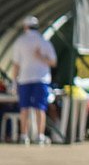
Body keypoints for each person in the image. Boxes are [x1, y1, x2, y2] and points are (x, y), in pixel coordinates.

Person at [10, 15, 57, 145]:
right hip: (40, 79)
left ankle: (25, 135)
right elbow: (53, 62)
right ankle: (40, 136)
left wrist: (14, 83)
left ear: (25, 27)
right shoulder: (44, 42)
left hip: (25, 79)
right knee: (40, 108)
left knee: (24, 107)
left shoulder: (20, 42)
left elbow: (15, 65)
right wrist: (41, 58)